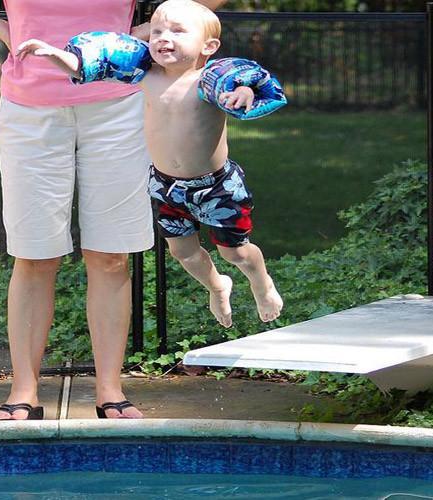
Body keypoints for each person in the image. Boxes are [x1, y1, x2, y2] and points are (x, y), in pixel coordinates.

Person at [0, 0, 227, 421]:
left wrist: (147, 30)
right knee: (34, 256)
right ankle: (23, 392)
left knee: (110, 256)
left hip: (119, 107)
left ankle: (110, 391)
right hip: (29, 110)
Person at [17, 0, 286, 331]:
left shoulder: (208, 80)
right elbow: (89, 65)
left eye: (177, 31)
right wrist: (53, 54)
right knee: (184, 254)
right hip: (166, 187)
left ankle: (261, 283)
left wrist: (244, 92)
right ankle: (217, 286)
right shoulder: (147, 75)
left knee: (236, 253)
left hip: (215, 188)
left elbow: (240, 82)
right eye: (156, 31)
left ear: (209, 46)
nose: (163, 37)